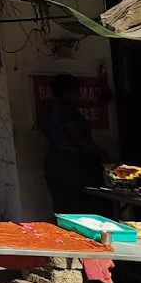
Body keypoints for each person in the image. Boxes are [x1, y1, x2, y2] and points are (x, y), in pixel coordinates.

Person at [41, 74, 106, 214]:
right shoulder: (67, 110)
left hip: (55, 163)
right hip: (72, 166)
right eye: (76, 91)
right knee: (83, 208)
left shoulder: (49, 110)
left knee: (64, 208)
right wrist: (105, 156)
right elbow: (80, 138)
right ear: (66, 91)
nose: (79, 95)